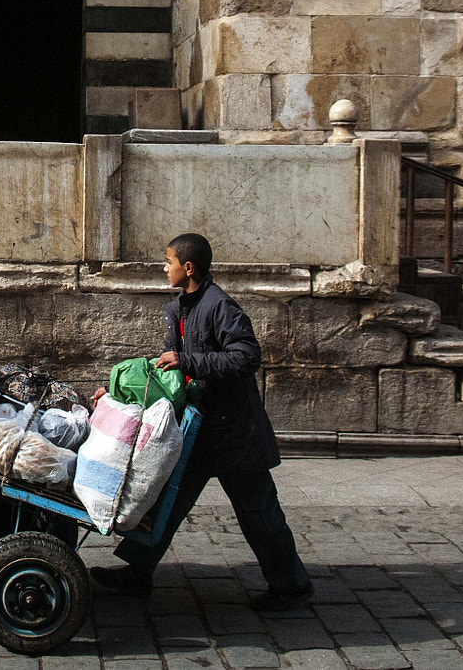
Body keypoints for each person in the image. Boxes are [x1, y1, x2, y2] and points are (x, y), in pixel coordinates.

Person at [91, 232, 314, 612]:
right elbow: (167, 370)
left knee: (259, 512)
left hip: (235, 436)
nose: (164, 268)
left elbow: (246, 357)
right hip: (197, 433)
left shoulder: (220, 307)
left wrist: (189, 362)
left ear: (188, 267)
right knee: (165, 502)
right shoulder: (178, 309)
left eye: (169, 262)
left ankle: (291, 585)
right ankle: (138, 574)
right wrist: (116, 392)